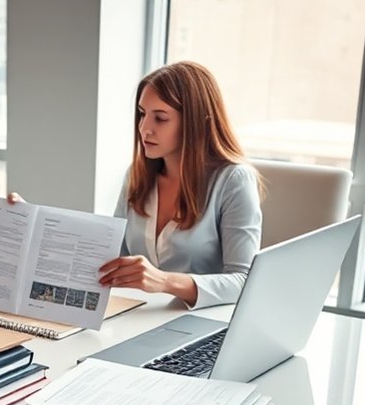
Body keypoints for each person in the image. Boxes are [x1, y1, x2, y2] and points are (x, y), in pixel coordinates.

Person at [98, 61, 263, 309]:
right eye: (142, 114)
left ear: (195, 122)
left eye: (160, 118)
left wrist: (165, 281)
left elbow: (245, 282)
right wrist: (35, 226)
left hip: (201, 325)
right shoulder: (137, 176)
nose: (144, 128)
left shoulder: (233, 181)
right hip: (135, 320)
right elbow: (113, 262)